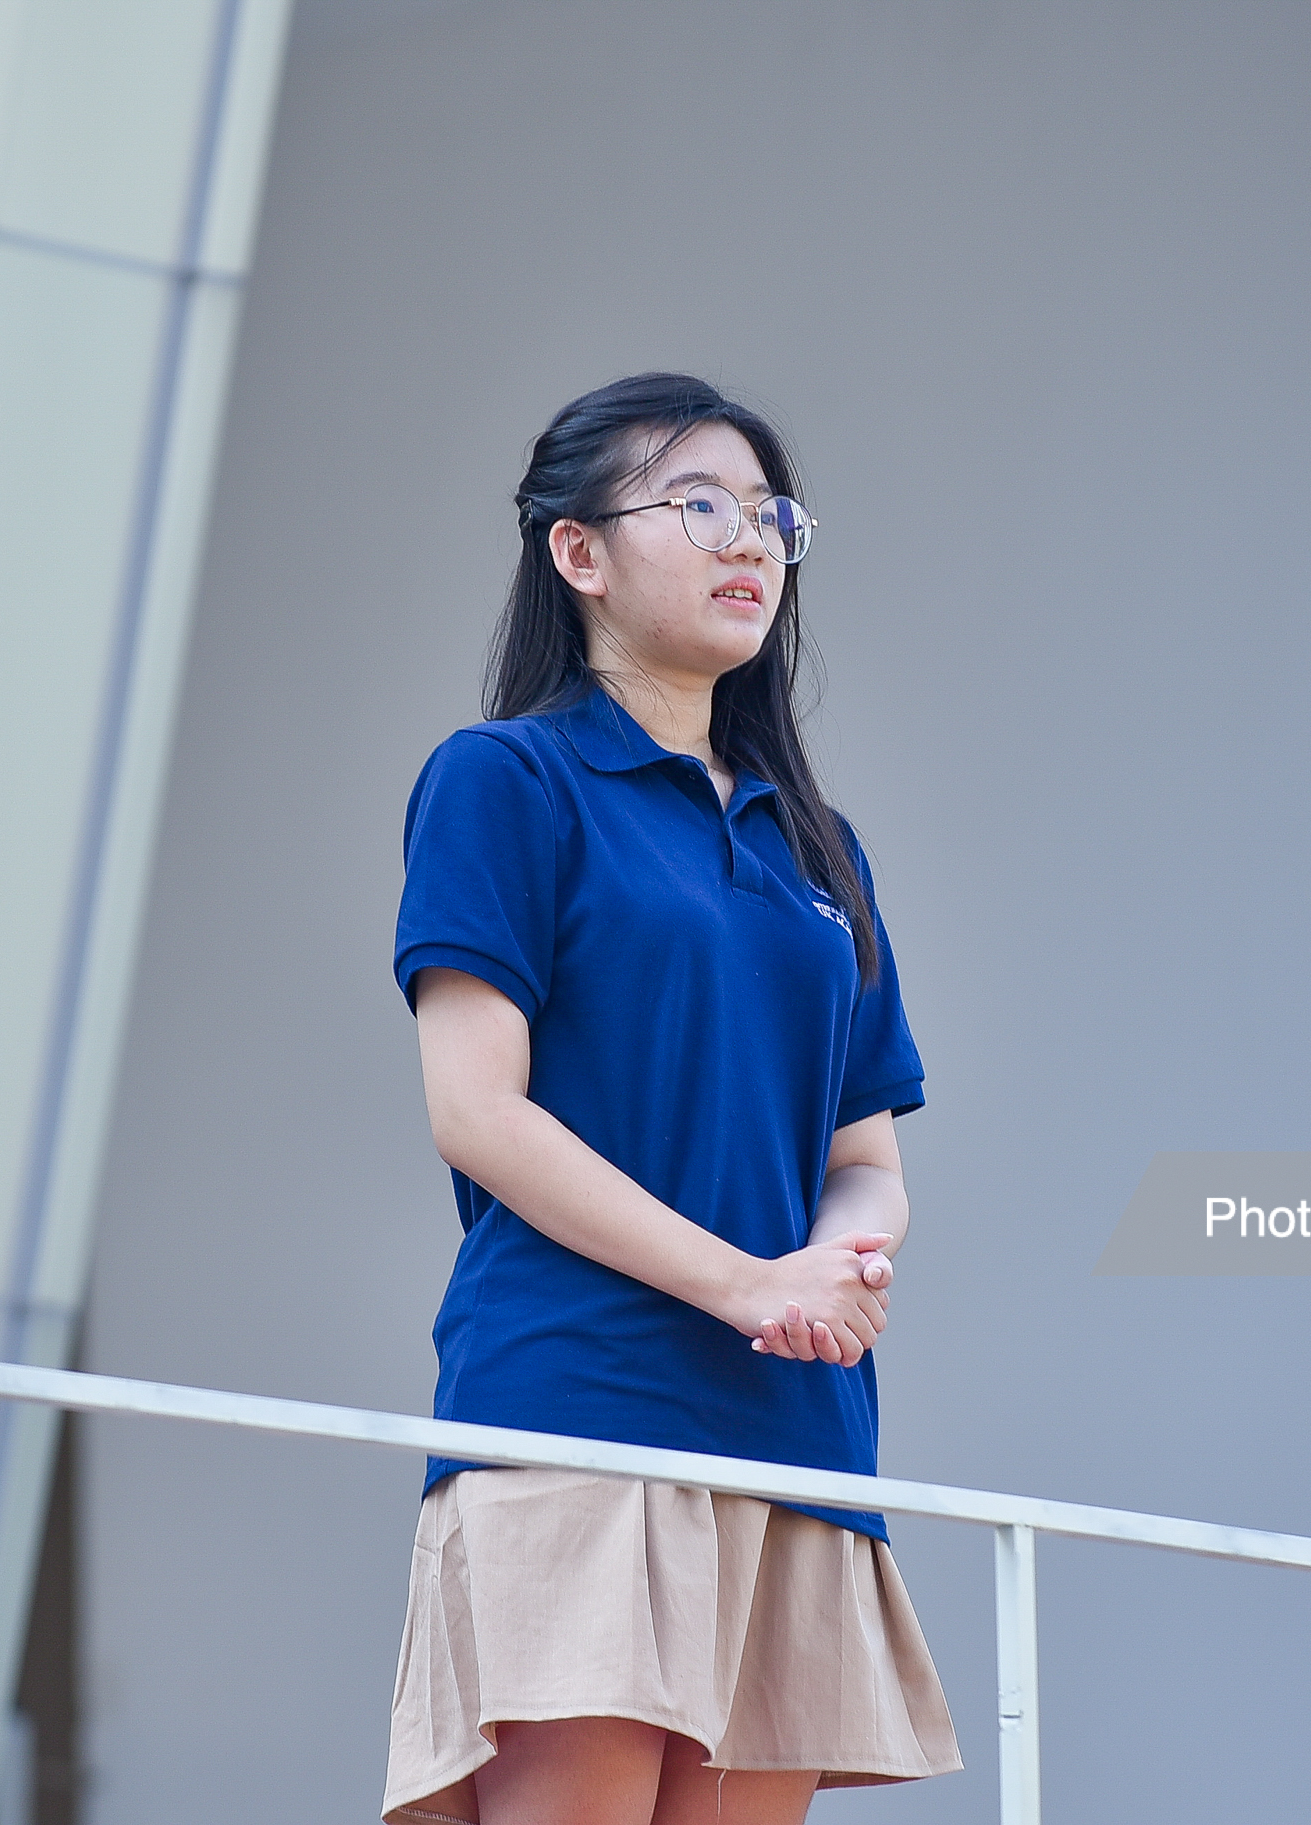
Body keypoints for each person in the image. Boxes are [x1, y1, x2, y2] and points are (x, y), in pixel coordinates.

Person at [382, 374, 961, 1825]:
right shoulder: (506, 782)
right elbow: (477, 1112)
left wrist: (834, 1264)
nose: (749, 540)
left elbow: (866, 1156)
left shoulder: (819, 846)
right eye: (699, 504)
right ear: (578, 552)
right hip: (582, 1405)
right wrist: (748, 1282)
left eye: (769, 513)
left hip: (792, 1429)